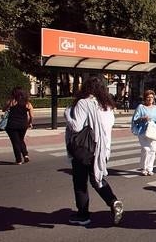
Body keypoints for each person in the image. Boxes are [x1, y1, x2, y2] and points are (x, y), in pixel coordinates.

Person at [64, 76, 123, 226]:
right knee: (97, 180)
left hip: (85, 149)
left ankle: (83, 215)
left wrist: (67, 114)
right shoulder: (107, 106)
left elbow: (76, 126)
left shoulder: (84, 103)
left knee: (80, 182)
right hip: (103, 150)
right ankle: (113, 201)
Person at [131, 90, 156, 176]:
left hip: (153, 131)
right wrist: (142, 118)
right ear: (145, 98)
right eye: (148, 97)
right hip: (143, 131)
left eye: (152, 97)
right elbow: (135, 119)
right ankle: (143, 168)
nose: (150, 99)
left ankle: (150, 168)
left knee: (153, 150)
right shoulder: (140, 107)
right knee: (146, 149)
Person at [3, 87, 34, 165]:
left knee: (15, 142)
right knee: (21, 139)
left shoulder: (11, 102)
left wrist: (8, 106)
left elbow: (3, 110)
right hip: (23, 125)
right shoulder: (27, 103)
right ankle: (25, 155)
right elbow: (32, 116)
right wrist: (30, 123)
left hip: (12, 125)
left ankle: (18, 160)